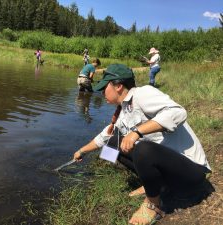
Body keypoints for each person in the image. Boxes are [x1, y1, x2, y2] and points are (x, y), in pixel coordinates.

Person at [73, 64, 211, 225]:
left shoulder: (142, 94)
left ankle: (153, 205)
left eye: (105, 87)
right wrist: (81, 151)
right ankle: (152, 184)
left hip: (191, 172)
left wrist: (136, 132)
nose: (102, 92)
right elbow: (104, 137)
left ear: (118, 86)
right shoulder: (123, 111)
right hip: (169, 169)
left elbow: (178, 112)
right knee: (111, 145)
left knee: (143, 150)